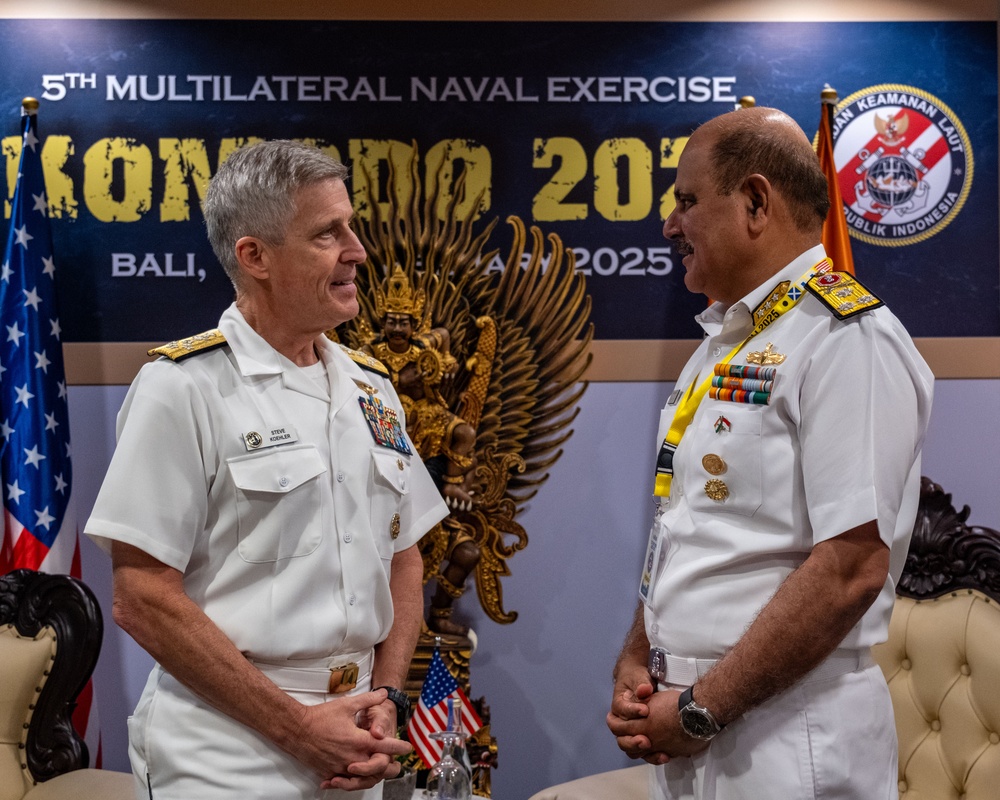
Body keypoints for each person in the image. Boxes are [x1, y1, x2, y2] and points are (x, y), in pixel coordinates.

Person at [85, 140, 449, 800]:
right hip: (226, 750)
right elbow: (141, 598)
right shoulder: (182, 388)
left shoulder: (373, 389)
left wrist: (387, 694)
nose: (357, 250)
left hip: (355, 734)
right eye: (326, 234)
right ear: (254, 256)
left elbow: (405, 558)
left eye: (351, 225)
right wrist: (298, 729)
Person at [606, 106, 933, 799]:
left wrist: (701, 710)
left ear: (755, 201)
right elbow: (689, 523)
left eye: (687, 201)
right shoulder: (723, 344)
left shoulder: (847, 340)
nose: (670, 225)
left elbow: (850, 567)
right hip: (702, 716)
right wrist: (642, 649)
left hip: (788, 732)